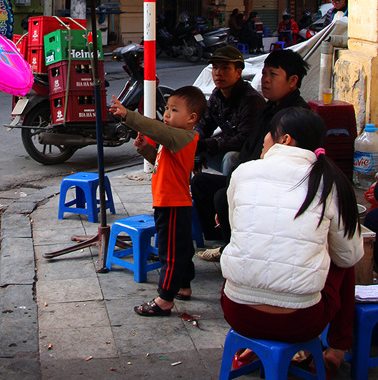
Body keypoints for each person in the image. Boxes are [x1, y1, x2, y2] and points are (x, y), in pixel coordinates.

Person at [220, 107, 362, 377]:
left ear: (285, 139)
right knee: (343, 259)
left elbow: (235, 228)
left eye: (268, 135)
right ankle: (337, 350)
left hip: (238, 313)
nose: (264, 140)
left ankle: (257, 348)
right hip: (300, 321)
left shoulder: (243, 172)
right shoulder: (329, 180)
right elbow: (349, 256)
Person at [192, 48, 310, 261]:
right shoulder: (270, 107)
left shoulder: (295, 116)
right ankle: (223, 240)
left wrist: (242, 181)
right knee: (201, 182)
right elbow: (246, 145)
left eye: (272, 75)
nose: (265, 80)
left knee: (223, 194)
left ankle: (237, 251)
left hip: (271, 184)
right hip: (250, 173)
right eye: (264, 74)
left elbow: (282, 166)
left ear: (293, 81)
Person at [109, 85, 207, 317]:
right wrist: (146, 151)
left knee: (170, 252)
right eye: (167, 109)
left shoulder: (184, 136)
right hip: (171, 203)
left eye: (174, 110)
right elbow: (163, 164)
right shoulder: (175, 140)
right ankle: (183, 285)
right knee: (180, 249)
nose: (166, 114)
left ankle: (164, 298)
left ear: (191, 118)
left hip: (173, 205)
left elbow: (155, 128)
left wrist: (128, 115)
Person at [195, 44, 266, 173]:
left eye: (225, 68)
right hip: (225, 148)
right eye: (215, 68)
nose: (218, 73)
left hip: (249, 155)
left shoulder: (251, 100)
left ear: (238, 73)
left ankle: (228, 192)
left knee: (230, 158)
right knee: (188, 150)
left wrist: (208, 144)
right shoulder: (217, 95)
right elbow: (204, 124)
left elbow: (244, 139)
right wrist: (196, 144)